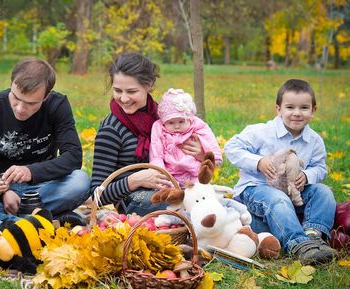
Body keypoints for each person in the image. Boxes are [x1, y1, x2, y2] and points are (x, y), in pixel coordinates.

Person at [224, 79, 337, 265]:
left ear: (313, 110)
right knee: (278, 198)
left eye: (304, 108)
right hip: (256, 189)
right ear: (278, 109)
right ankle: (298, 244)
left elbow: (320, 167)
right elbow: (231, 147)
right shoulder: (261, 131)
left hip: (294, 193)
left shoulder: (314, 141)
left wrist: (308, 176)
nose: (297, 113)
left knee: (324, 192)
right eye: (290, 107)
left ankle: (313, 236)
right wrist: (258, 162)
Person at [0, 58, 90, 222]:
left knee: (80, 181)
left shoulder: (57, 105)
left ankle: (13, 217)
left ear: (46, 96)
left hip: (43, 187)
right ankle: (38, 216)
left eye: (31, 103)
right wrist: (3, 191)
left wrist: (31, 171)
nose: (20, 108)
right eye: (16, 98)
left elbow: (73, 157)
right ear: (12, 83)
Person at [89, 53, 207, 215]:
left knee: (212, 201)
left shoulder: (165, 119)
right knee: (193, 208)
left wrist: (201, 154)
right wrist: (134, 180)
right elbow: (96, 195)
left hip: (176, 184)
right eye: (117, 90)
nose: (123, 98)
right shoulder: (111, 130)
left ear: (149, 85)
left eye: (131, 91)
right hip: (134, 198)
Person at [150, 88, 222, 187]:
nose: (176, 126)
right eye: (171, 122)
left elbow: (210, 139)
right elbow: (156, 153)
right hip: (171, 173)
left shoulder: (197, 124)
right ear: (164, 121)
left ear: (190, 119)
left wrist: (214, 157)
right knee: (170, 191)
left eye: (181, 121)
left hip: (194, 172)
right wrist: (161, 174)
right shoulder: (158, 128)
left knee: (200, 190)